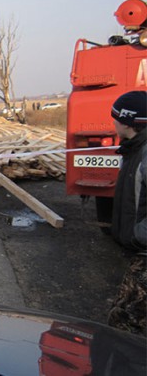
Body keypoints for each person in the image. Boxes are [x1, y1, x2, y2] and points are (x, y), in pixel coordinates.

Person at [106, 90, 147, 336]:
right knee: (120, 314)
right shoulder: (133, 150)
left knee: (127, 322)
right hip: (137, 251)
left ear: (127, 122)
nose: (113, 122)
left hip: (143, 249)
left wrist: (139, 234)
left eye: (115, 118)